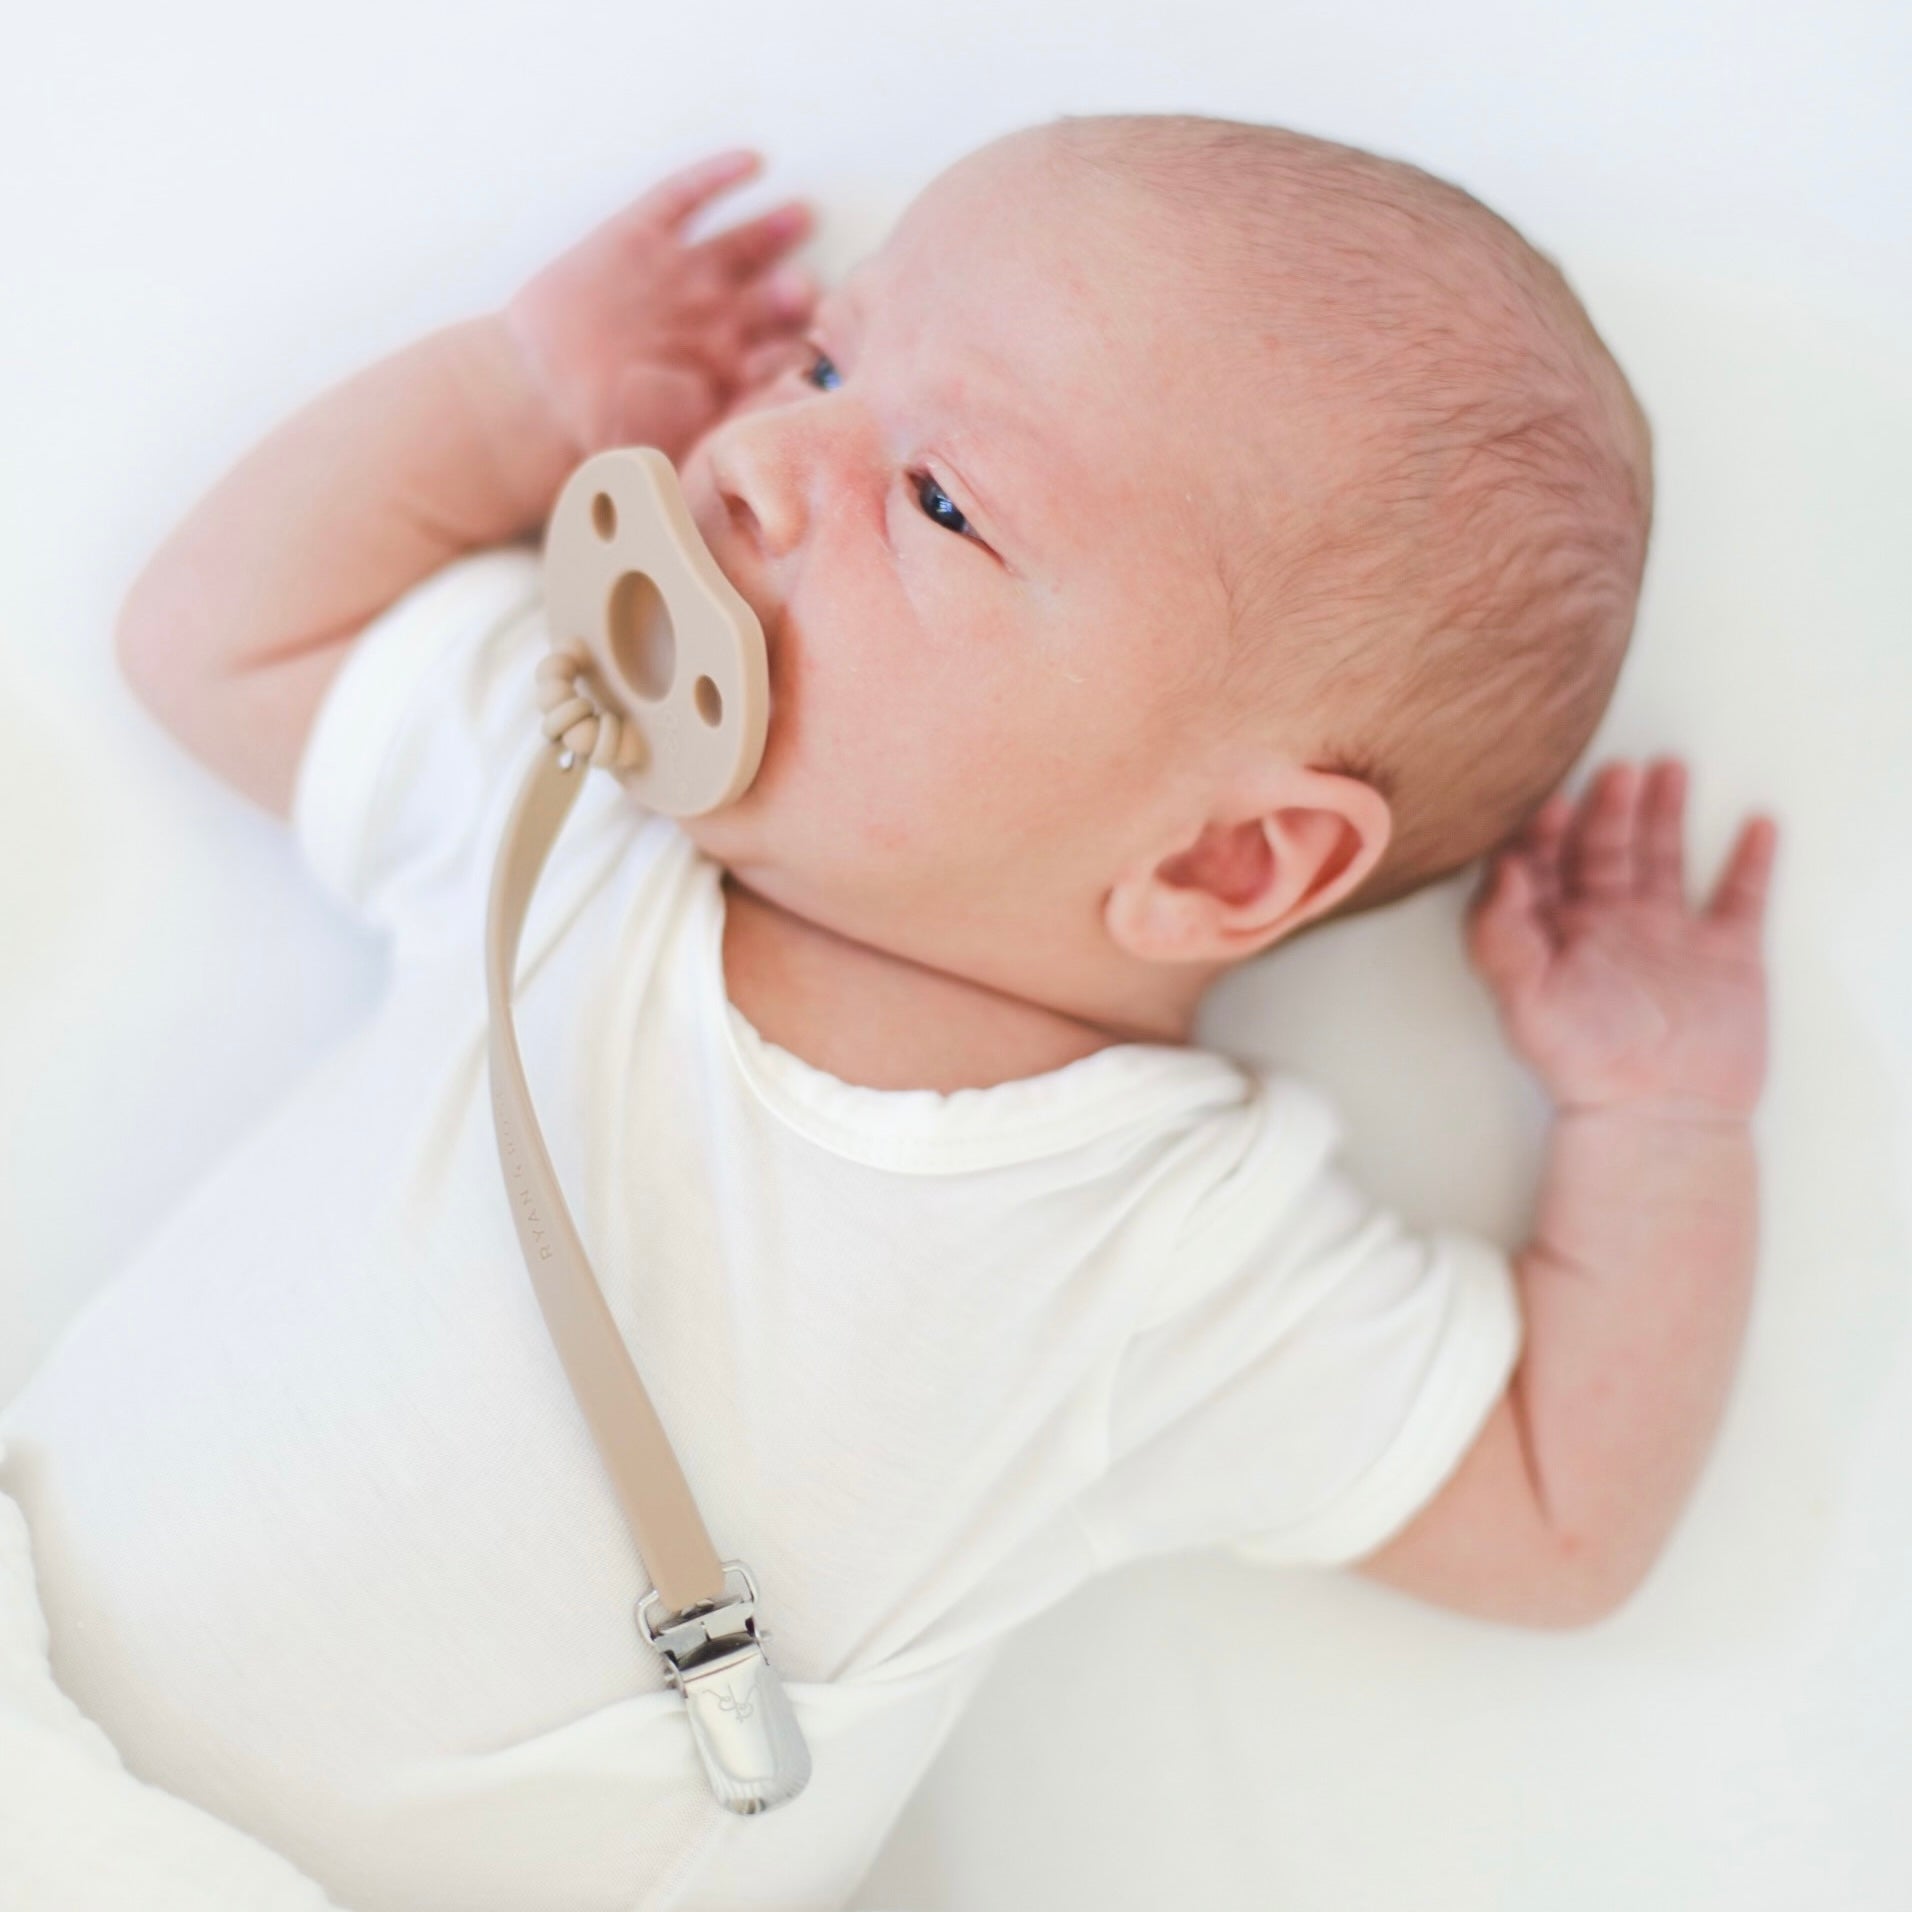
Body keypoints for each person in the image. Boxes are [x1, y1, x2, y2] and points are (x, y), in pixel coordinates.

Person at [0, 112, 1777, 1912]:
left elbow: (1558, 1511)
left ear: (1230, 860)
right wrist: (520, 393)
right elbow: (213, 639)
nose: (758, 457)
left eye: (939, 501)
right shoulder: (574, 815)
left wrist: (1659, 1116)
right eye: (823, 361)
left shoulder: (1162, 1240)